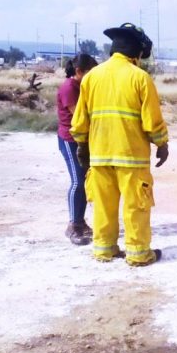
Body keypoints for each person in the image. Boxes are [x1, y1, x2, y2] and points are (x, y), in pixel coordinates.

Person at [70, 23, 169, 267]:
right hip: (131, 158)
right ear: (136, 53)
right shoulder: (140, 78)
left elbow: (80, 120)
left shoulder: (91, 77)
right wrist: (162, 144)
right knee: (136, 205)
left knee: (103, 205)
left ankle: (104, 249)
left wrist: (82, 146)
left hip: (100, 156)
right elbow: (152, 120)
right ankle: (137, 254)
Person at [57, 54, 98, 245]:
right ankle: (73, 225)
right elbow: (80, 116)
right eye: (90, 72)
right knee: (77, 182)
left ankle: (80, 221)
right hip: (70, 139)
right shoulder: (69, 88)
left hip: (82, 140)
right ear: (79, 71)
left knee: (84, 181)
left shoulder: (82, 86)